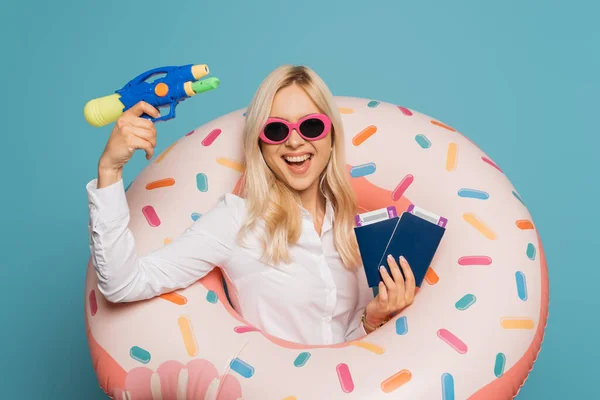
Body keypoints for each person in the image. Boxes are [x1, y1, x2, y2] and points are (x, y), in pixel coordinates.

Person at [86, 65, 416, 345]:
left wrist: (372, 320)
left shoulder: (358, 231)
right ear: (260, 143)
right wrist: (109, 170)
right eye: (276, 129)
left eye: (311, 125)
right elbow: (123, 284)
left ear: (331, 137)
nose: (295, 140)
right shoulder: (237, 221)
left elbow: (345, 356)